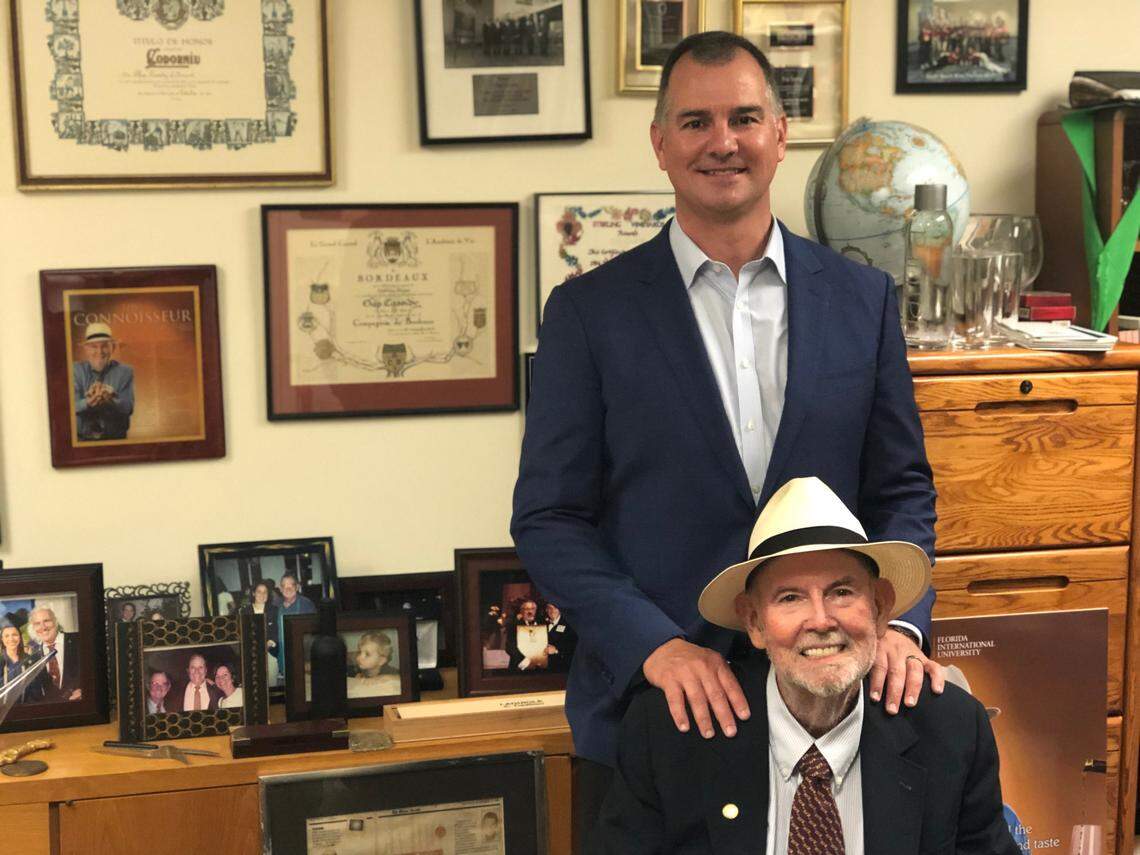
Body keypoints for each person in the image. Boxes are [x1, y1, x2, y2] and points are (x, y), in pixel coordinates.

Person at [511, 30, 938, 829]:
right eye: (696, 122)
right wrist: (654, 645)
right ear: (660, 143)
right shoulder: (587, 314)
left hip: (838, 699)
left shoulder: (863, 302)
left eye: (743, 118)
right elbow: (550, 517)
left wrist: (902, 623)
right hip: (655, 711)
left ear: (780, 133)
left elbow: (902, 490)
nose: (723, 141)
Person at [590, 478, 1017, 854]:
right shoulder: (669, 734)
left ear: (880, 607)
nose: (820, 620)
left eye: (842, 592)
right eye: (790, 598)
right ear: (754, 622)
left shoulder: (952, 730)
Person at [72, 322, 135, 441]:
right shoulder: (75, 370)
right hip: (83, 441)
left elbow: (128, 408)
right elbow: (69, 407)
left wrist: (112, 399)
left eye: (105, 346)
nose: (100, 352)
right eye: (93, 347)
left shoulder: (125, 372)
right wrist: (87, 403)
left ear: (113, 348)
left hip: (116, 441)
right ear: (86, 350)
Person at [28, 607, 81, 702]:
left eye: (46, 621)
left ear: (55, 622)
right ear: (33, 627)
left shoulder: (78, 639)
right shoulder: (34, 656)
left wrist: (85, 690)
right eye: (37, 623)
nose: (43, 627)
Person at [275, 575, 316, 676]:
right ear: (280, 589)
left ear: (297, 587)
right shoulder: (276, 605)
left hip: (301, 651)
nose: (288, 589)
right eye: (284, 586)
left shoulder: (306, 604)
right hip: (281, 652)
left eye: (291, 585)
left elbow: (313, 631)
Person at [346, 631, 401, 698]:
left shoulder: (389, 671)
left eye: (367, 654)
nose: (359, 657)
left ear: (381, 661)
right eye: (359, 652)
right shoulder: (362, 669)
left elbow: (401, 678)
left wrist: (380, 678)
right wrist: (359, 677)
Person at [1, 623, 44, 704]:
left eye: (15, 635)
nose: (11, 639)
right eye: (6, 636)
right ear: (2, 640)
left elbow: (36, 692)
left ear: (20, 637)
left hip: (26, 709)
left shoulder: (30, 661)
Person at [505, 599, 550, 671]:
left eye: (532, 609)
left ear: (536, 610)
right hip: (520, 666)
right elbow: (509, 647)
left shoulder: (543, 624)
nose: (530, 611)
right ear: (522, 611)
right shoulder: (513, 626)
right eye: (527, 609)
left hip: (539, 666)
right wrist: (526, 659)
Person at [544, 603, 578, 673]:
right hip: (543, 668)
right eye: (550, 608)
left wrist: (556, 650)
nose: (552, 611)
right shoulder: (542, 622)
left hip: (561, 668)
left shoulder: (570, 625)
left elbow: (572, 647)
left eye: (555, 608)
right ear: (546, 610)